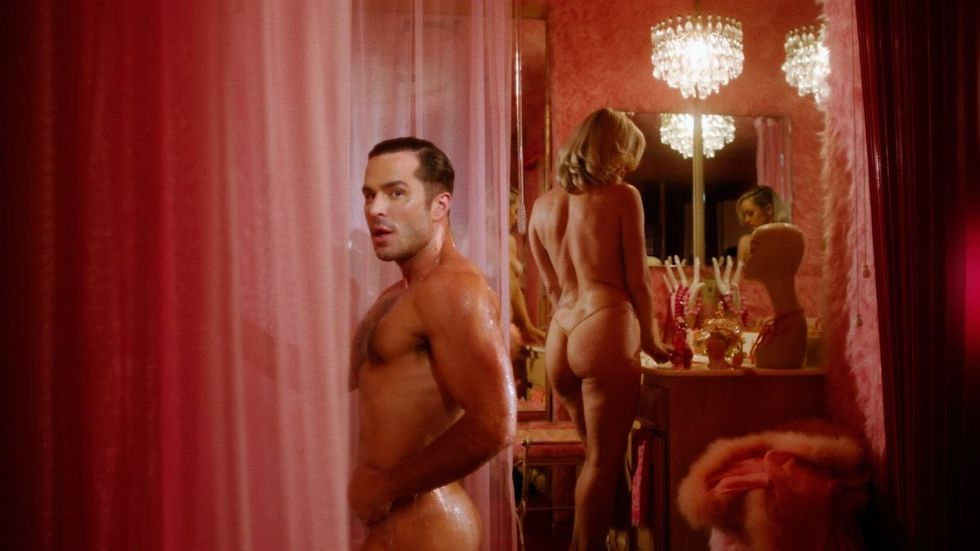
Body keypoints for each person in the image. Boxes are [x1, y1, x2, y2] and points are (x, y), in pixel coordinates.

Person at [349, 137, 516, 550]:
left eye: (395, 193)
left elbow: (495, 423)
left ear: (440, 205)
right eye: (369, 195)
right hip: (393, 524)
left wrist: (385, 487)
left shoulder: (453, 289)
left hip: (428, 525)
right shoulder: (398, 295)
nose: (376, 209)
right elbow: (335, 379)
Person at [527, 108, 669, 550]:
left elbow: (551, 287)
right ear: (615, 151)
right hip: (604, 321)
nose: (628, 168)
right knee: (603, 463)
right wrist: (651, 338)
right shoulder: (623, 196)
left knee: (596, 458)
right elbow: (638, 280)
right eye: (628, 156)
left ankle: (613, 540)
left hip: (563, 331)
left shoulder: (542, 205)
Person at [742, 222, 807, 369]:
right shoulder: (784, 323)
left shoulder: (790, 330)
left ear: (776, 258)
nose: (746, 258)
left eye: (753, 250)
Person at [735, 185, 790, 263]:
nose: (746, 220)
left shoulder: (747, 242)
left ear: (769, 209)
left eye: (750, 213)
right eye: (744, 215)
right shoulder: (747, 242)